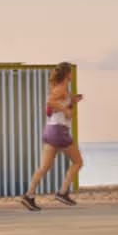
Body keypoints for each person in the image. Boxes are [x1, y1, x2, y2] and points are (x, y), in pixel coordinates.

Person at [20, 64, 81, 210]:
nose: (71, 75)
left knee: (44, 167)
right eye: (70, 73)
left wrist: (72, 101)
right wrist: (65, 109)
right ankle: (62, 192)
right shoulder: (60, 89)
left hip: (51, 130)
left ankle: (28, 196)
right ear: (67, 74)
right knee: (77, 162)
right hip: (59, 132)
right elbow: (50, 103)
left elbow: (54, 105)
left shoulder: (59, 89)